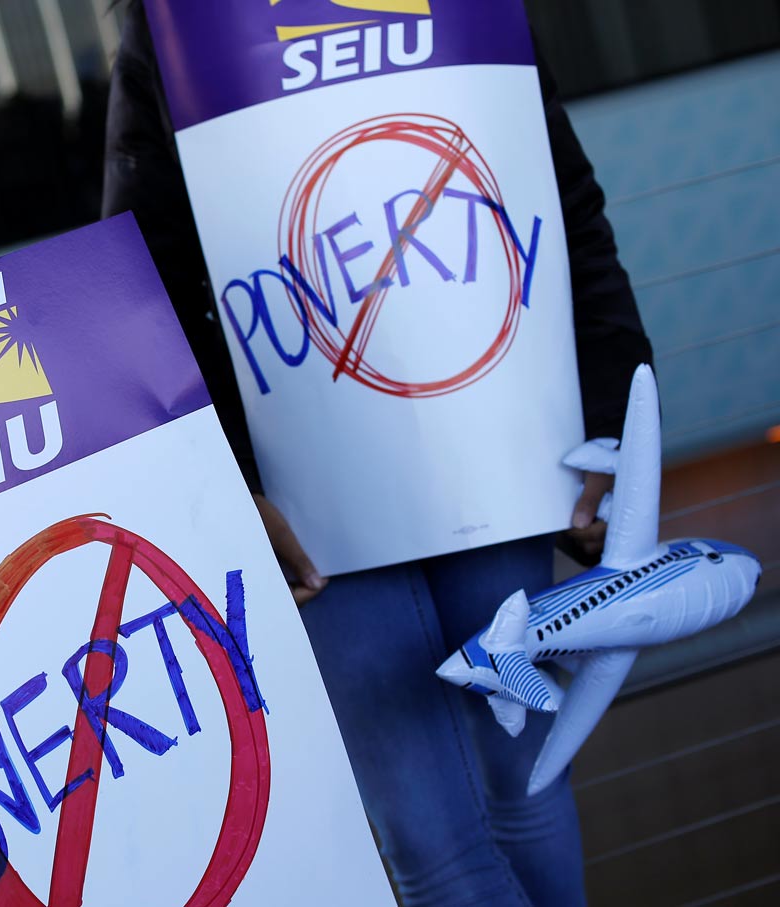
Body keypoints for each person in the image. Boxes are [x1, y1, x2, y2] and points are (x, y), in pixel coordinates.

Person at [102, 3, 653, 906]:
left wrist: (616, 412)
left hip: (491, 457)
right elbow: (147, 283)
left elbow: (561, 204)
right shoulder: (176, 27)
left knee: (522, 785)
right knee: (436, 835)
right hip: (312, 497)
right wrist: (233, 484)